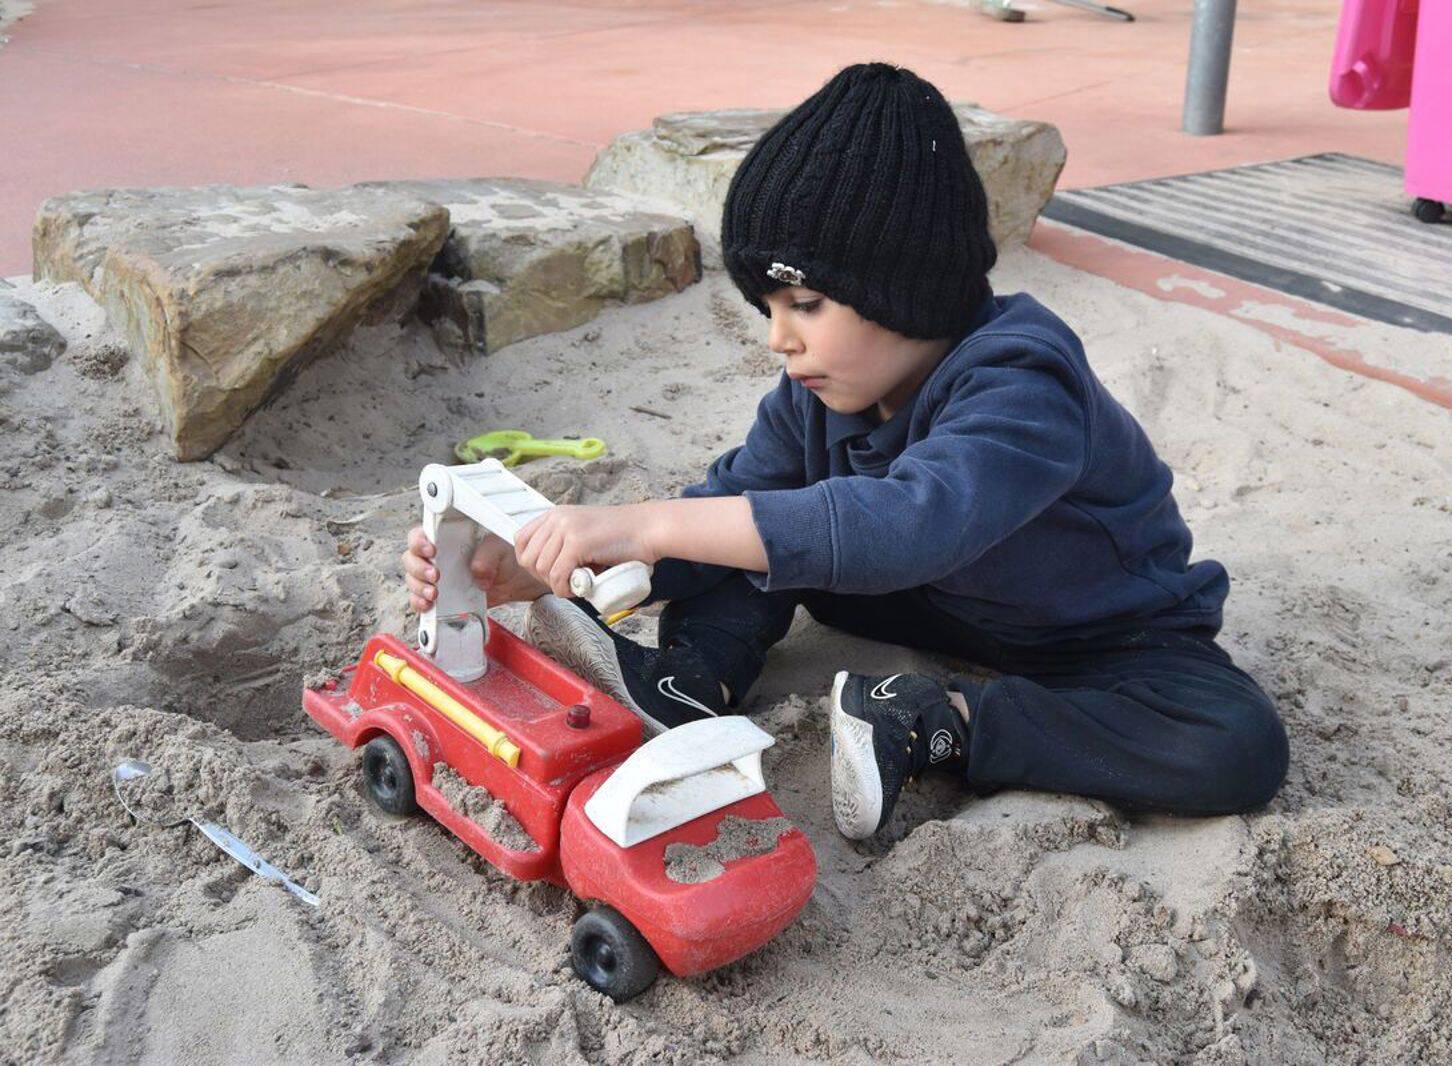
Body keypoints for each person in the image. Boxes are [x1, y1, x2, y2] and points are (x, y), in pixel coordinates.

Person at [401, 62, 1289, 841]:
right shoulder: (817, 395)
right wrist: (529, 569)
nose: (780, 341)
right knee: (736, 530)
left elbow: (908, 527)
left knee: (1236, 745)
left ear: (902, 287)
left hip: (1097, 631)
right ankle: (690, 679)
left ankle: (938, 721)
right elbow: (737, 503)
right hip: (924, 603)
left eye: (808, 305)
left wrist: (646, 522)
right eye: (768, 310)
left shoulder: (1022, 378)